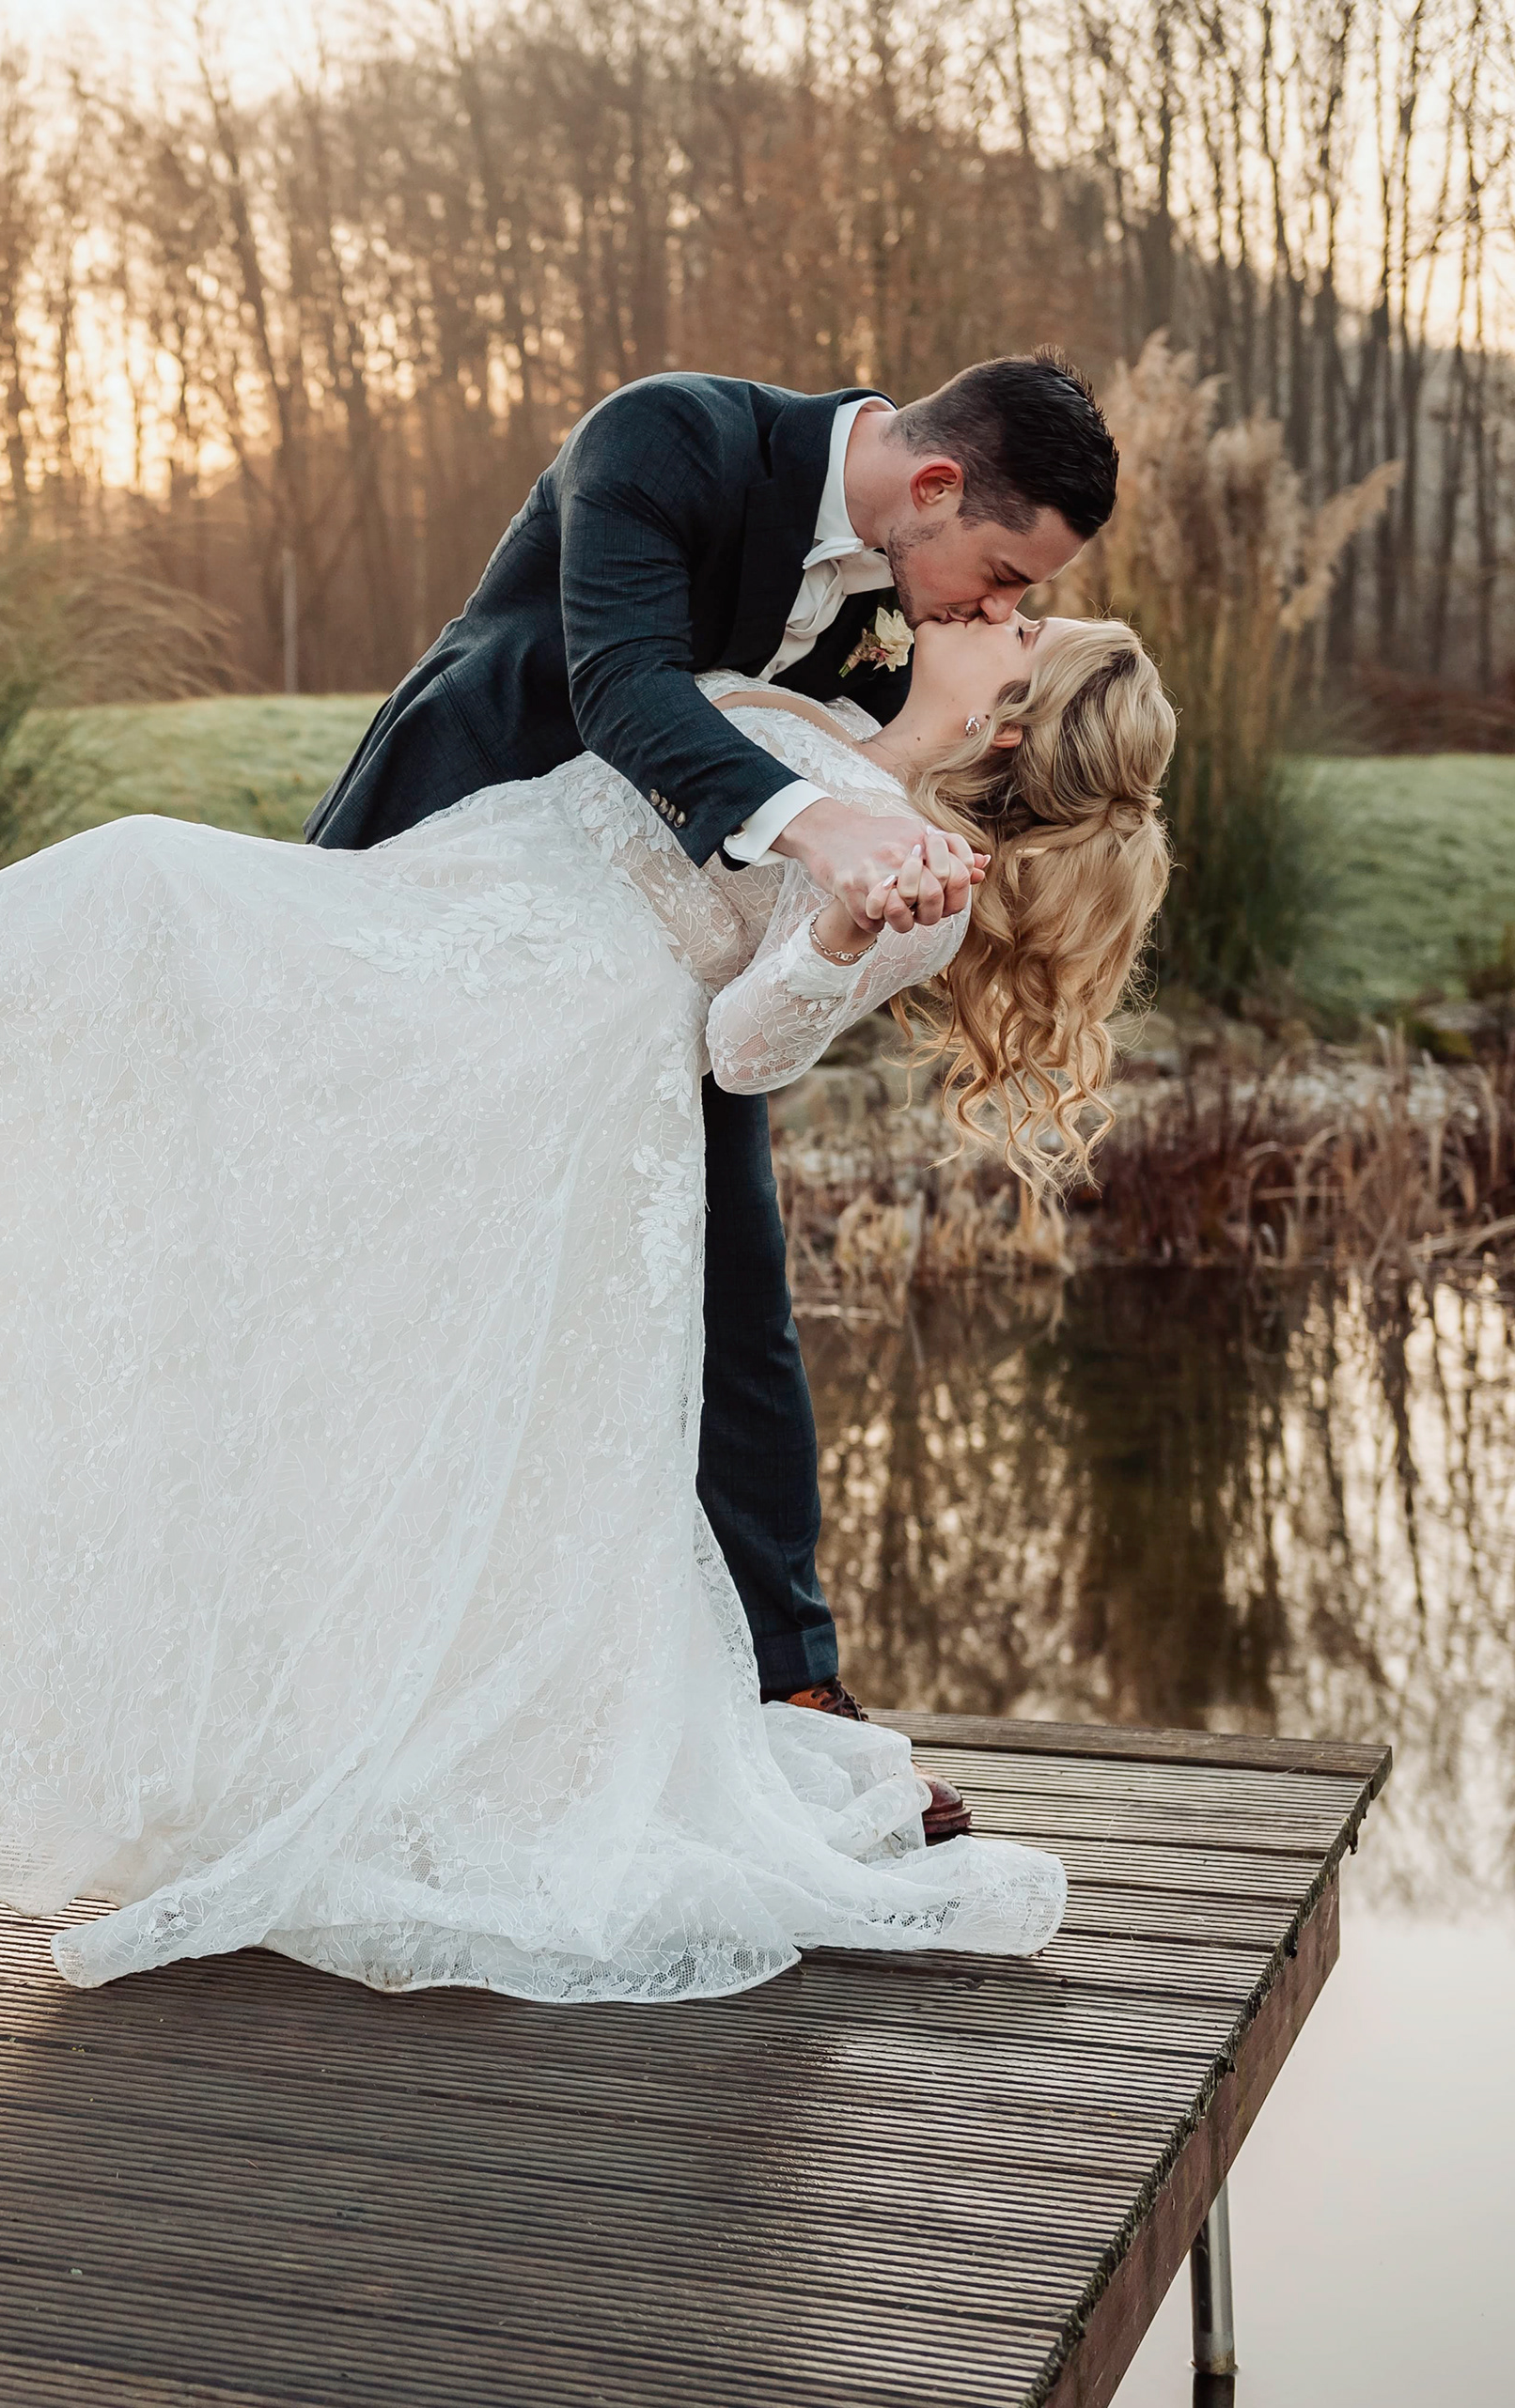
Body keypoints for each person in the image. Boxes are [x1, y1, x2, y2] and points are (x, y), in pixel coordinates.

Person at [0, 591, 1174, 2004]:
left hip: (527, 1035)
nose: (992, 610)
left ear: (1009, 727)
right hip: (412, 924)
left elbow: (744, 1050)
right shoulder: (822, 716)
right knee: (145, 943)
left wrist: (828, 939)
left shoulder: (920, 883)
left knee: (144, 897)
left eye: (1021, 637)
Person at [306, 354, 1123, 1846]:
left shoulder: (907, 603)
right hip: (465, 897)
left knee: (735, 1289)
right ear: (934, 488)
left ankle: (784, 1695)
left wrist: (892, 801)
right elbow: (619, 680)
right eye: (996, 573)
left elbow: (851, 750)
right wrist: (839, 834)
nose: (984, 610)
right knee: (409, 1301)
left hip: (662, 980)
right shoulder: (669, 435)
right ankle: (354, 1691)